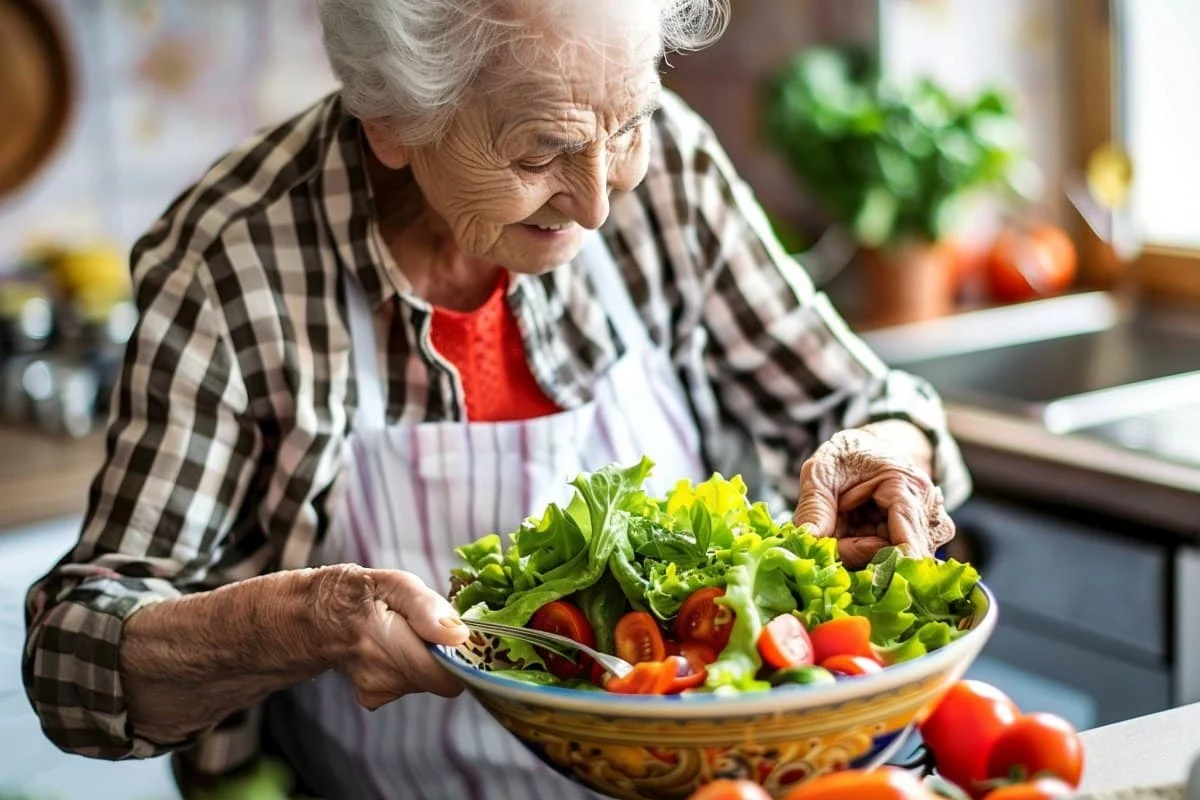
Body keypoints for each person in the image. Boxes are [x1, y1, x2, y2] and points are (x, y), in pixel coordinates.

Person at [21, 0, 970, 797]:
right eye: (542, 151)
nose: (600, 202)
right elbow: (77, 664)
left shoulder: (666, 166)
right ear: (392, 118)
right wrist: (309, 619)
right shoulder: (237, 263)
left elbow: (868, 400)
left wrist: (887, 451)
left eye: (628, 123)